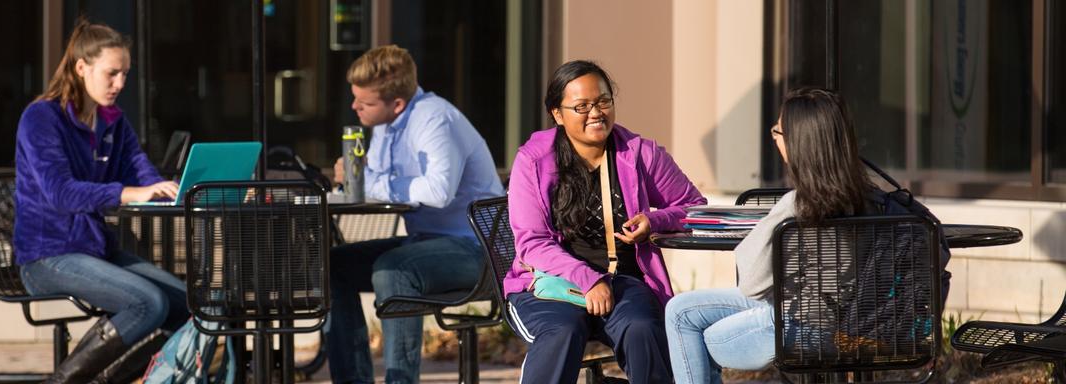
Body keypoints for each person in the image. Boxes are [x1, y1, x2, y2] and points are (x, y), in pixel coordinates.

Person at [663, 88, 952, 383]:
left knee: (693, 339)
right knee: (679, 310)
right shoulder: (873, 200)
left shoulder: (796, 206)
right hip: (860, 322)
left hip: (804, 329)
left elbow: (751, 285)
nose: (774, 138)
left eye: (778, 131)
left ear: (797, 143)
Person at [504, 60, 706, 383]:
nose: (596, 112)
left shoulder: (640, 153)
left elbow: (694, 207)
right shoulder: (533, 160)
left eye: (603, 101)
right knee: (562, 331)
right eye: (581, 106)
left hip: (622, 281)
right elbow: (531, 242)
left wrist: (654, 221)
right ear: (557, 114)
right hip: (551, 285)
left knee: (642, 328)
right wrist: (589, 279)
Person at [13, 20, 186, 384]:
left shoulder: (113, 121)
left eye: (125, 74)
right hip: (46, 256)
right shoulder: (41, 118)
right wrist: (126, 193)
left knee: (188, 305)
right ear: (81, 67)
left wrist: (173, 189)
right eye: (111, 74)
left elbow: (141, 174)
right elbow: (60, 193)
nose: (120, 84)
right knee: (148, 303)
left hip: (94, 251)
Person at [326, 44, 505, 384]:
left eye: (364, 103)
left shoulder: (435, 120)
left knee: (393, 270)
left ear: (396, 103)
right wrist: (352, 182)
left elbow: (437, 191)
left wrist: (370, 180)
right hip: (427, 242)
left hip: (478, 249)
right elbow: (375, 186)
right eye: (355, 98)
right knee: (332, 266)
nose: (354, 107)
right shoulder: (385, 125)